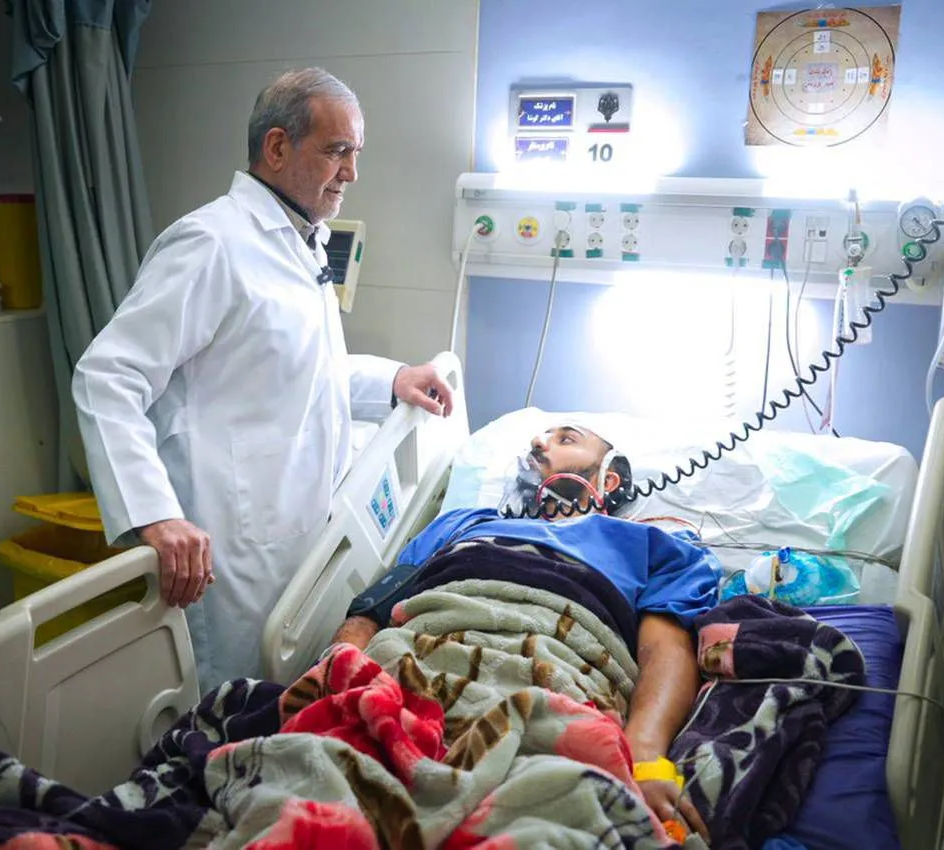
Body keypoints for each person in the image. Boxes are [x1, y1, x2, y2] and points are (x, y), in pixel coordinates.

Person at [72, 67, 454, 692]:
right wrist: (155, 516)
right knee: (225, 707)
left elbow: (298, 370)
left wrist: (394, 381)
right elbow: (107, 376)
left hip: (298, 537)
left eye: (356, 154)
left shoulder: (303, 241)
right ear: (277, 147)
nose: (352, 173)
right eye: (337, 151)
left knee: (280, 705)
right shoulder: (210, 243)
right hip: (231, 544)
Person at [328, 423, 720, 842]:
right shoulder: (462, 523)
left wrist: (643, 755)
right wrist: (339, 676)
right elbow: (372, 610)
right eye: (540, 437)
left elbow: (665, 650)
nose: (538, 442)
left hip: (558, 679)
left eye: (566, 439)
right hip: (411, 661)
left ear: (609, 479)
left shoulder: (653, 545)